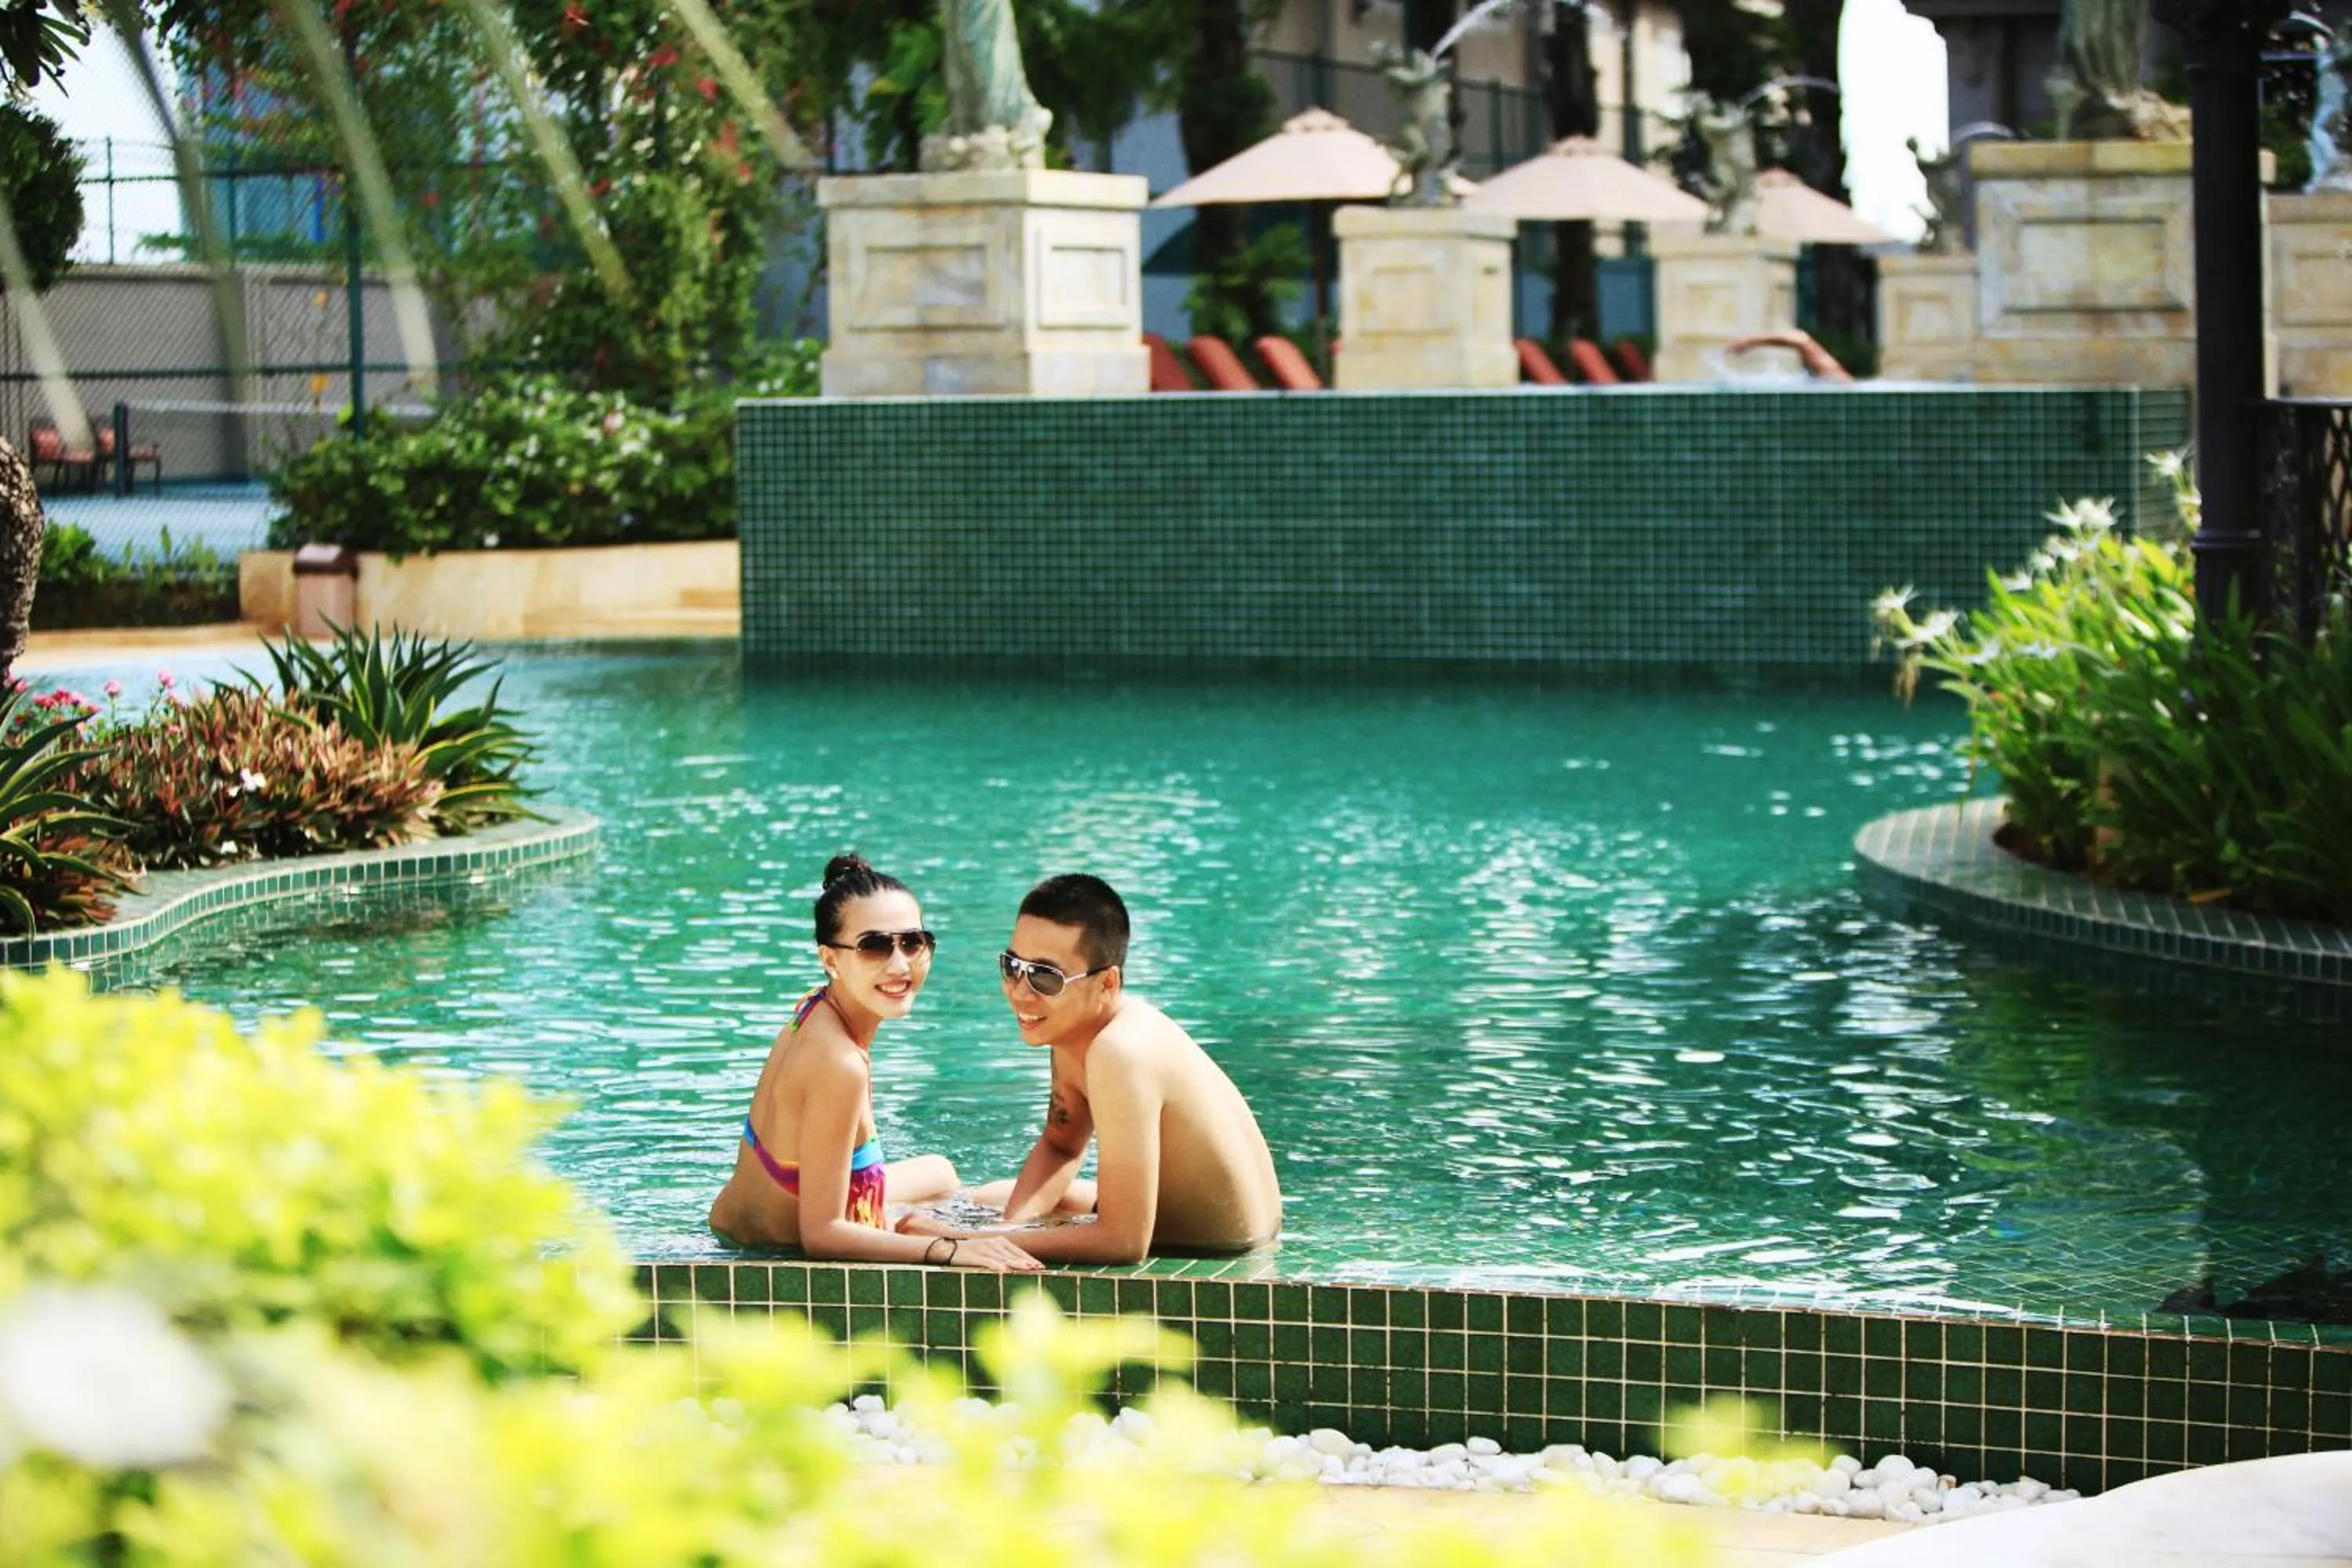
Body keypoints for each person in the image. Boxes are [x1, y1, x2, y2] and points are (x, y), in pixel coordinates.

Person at [905, 874, 1282, 1264]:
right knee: (989, 1196)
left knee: (962, 1217)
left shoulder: (1121, 1051)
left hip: (1222, 1252)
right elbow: (1061, 1146)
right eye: (1013, 966)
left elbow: (1124, 1243)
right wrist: (1004, 1230)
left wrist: (962, 1240)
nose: (1019, 991)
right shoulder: (1076, 1027)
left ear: (1107, 983)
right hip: (1209, 1226)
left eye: (1045, 977)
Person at [710, 855, 1041, 1272]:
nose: (899, 966)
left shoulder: (815, 1006)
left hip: (735, 1223)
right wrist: (948, 1249)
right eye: (874, 946)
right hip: (768, 1251)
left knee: (940, 1173)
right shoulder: (839, 1064)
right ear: (830, 960)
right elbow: (822, 1236)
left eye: (912, 942)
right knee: (1007, 1205)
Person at [1724, 328, 1853, 383]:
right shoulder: (1839, 383)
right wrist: (1750, 341)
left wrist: (1749, 341)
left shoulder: (1838, 381)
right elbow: (1801, 341)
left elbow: (1801, 340)